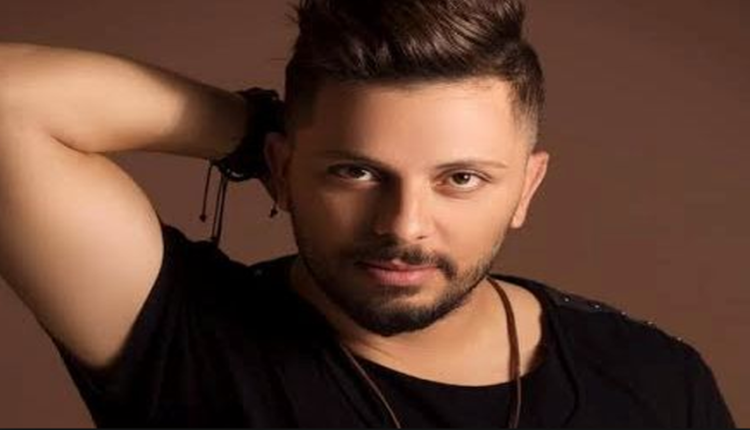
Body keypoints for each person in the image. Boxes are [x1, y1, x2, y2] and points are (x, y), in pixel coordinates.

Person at [0, 0, 735, 427]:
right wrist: (253, 128)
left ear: (526, 188)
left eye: (461, 178)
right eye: (355, 171)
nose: (404, 226)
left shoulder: (655, 382)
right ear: (282, 170)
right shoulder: (187, 340)